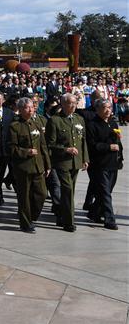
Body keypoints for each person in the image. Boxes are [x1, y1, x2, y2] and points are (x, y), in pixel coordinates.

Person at [45, 93, 89, 231]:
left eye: (75, 103)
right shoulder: (55, 120)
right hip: (62, 162)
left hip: (75, 161)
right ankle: (69, 222)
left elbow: (83, 141)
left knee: (70, 191)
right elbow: (50, 144)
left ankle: (61, 215)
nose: (73, 105)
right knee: (68, 189)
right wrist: (66, 149)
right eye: (70, 103)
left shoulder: (79, 119)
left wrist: (85, 158)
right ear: (63, 104)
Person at [9, 97, 51, 233]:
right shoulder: (14, 126)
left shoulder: (36, 124)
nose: (31, 109)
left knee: (42, 193)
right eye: (27, 107)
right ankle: (25, 223)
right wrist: (26, 152)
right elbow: (11, 148)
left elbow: (43, 146)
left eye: (32, 107)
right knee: (24, 196)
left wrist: (47, 164)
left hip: (38, 165)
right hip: (23, 166)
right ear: (20, 109)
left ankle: (31, 216)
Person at [85, 98, 123, 230]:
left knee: (106, 191)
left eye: (110, 107)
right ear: (98, 109)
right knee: (105, 192)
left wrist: (120, 157)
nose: (108, 110)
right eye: (105, 108)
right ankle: (109, 219)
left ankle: (94, 212)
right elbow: (92, 145)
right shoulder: (92, 124)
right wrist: (108, 147)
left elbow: (118, 143)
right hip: (100, 164)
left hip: (113, 163)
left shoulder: (113, 123)